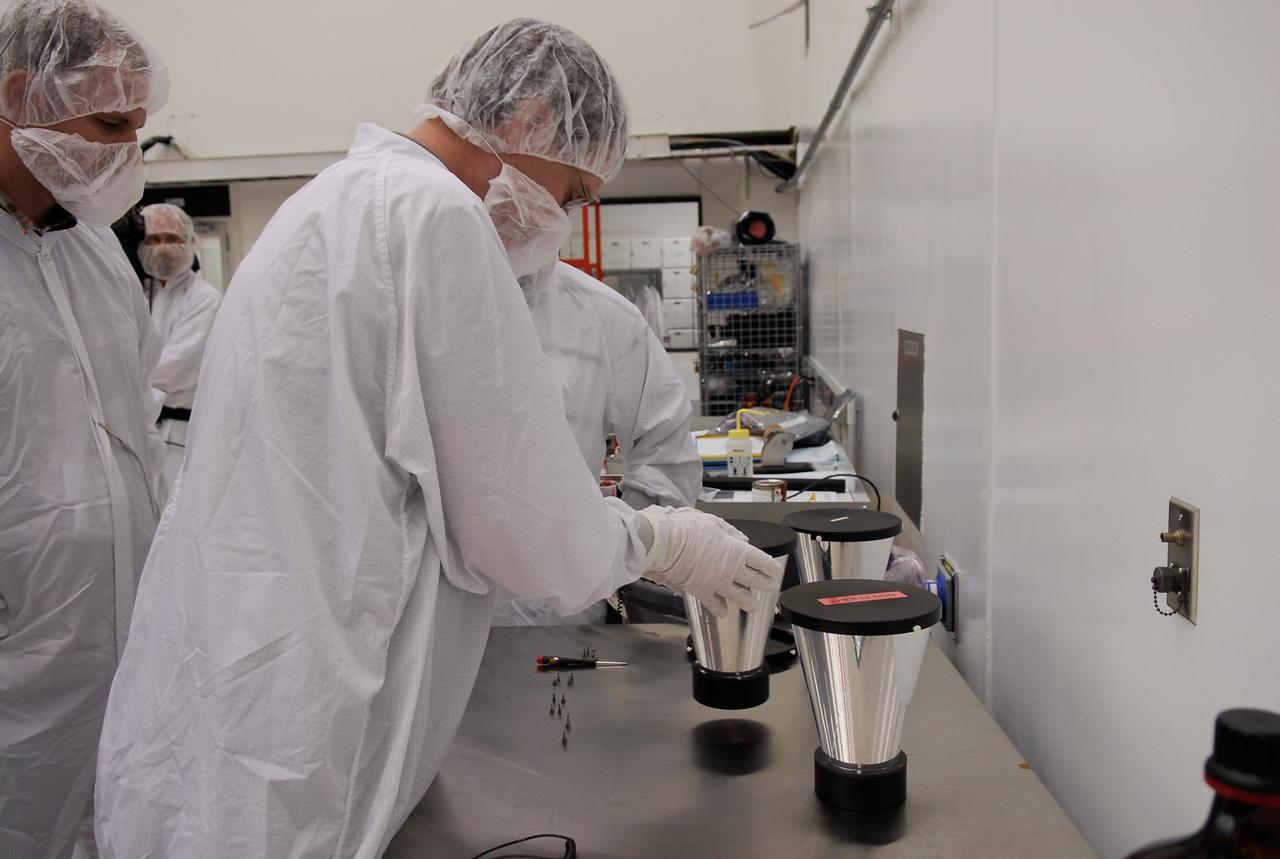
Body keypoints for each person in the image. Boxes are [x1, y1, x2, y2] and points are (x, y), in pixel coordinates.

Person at [96, 19, 780, 858]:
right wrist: (667, 540)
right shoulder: (433, 219)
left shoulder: (330, 204)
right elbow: (529, 533)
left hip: (231, 687)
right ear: (528, 121)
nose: (561, 221)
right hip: (302, 726)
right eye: (568, 194)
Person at [0, 1, 168, 856]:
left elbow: (133, 425)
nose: (125, 152)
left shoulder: (96, 247)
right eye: (108, 122)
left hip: (120, 654)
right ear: (20, 94)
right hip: (16, 661)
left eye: (137, 127)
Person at [492, 260, 701, 625]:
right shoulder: (405, 291)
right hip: (430, 616)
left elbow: (665, 446)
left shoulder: (598, 313)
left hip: (558, 610)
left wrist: (626, 536)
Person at [137, 202, 221, 492]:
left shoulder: (204, 299)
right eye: (154, 239)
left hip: (181, 433)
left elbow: (174, 370)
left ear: (191, 243)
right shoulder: (137, 293)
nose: (163, 247)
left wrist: (122, 377)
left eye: (172, 239)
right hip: (143, 429)